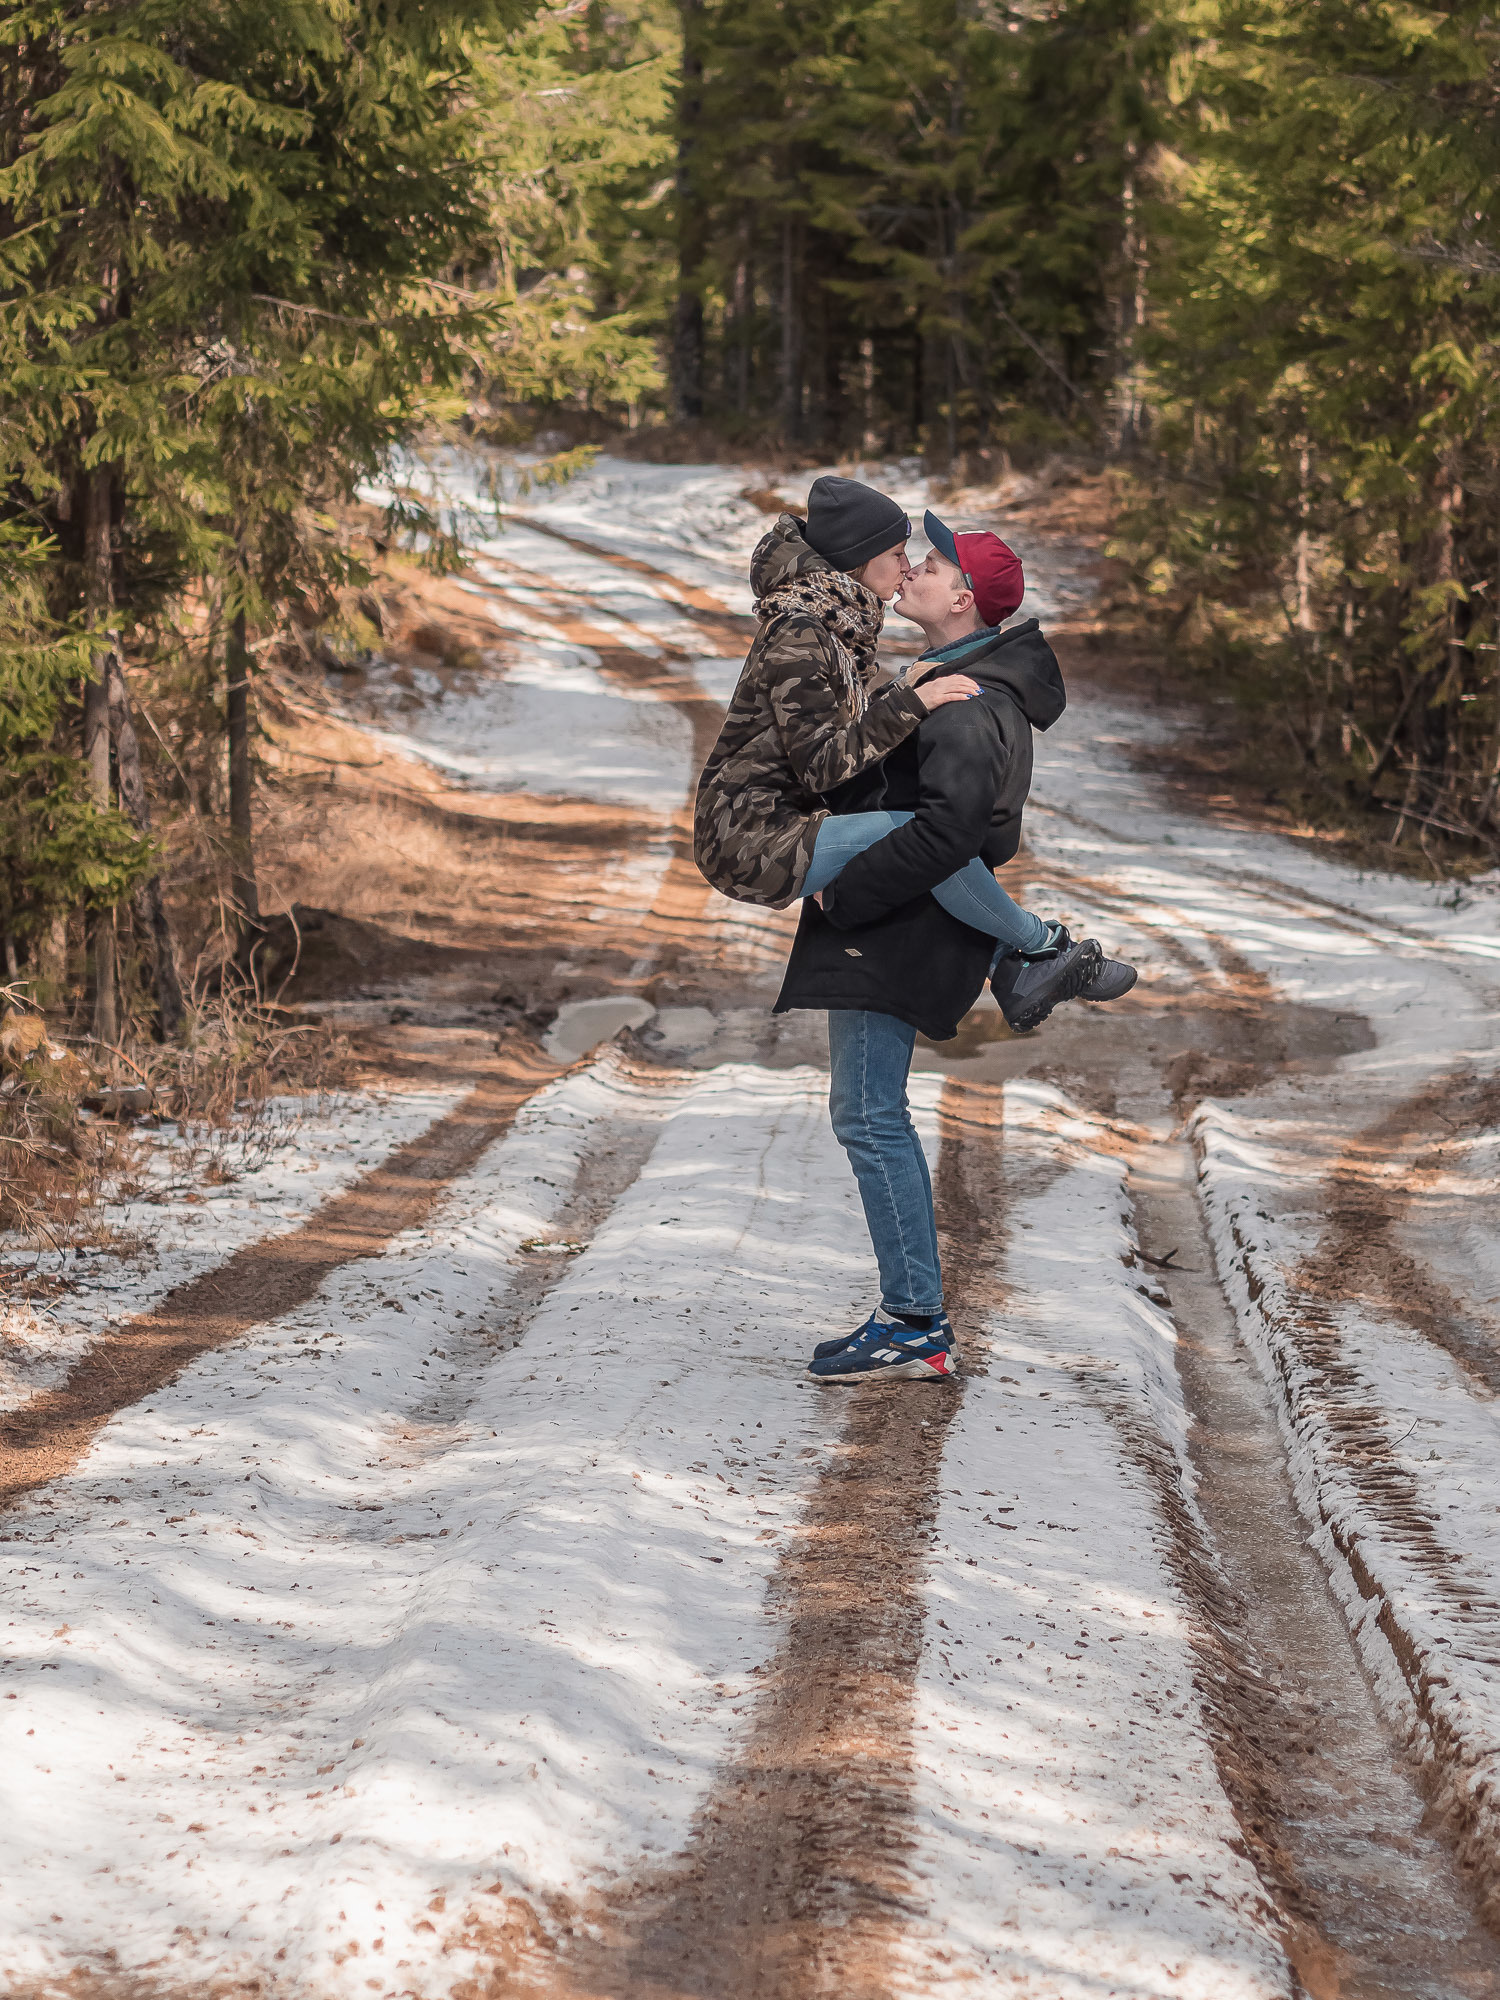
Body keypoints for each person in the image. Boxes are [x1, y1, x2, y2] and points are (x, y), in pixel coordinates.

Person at [776, 508, 1136, 1385]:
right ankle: (913, 1315)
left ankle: (914, 1319)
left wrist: (842, 889)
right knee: (867, 1116)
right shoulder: (950, 677)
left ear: (963, 598)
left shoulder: (972, 705)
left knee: (868, 1116)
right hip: (894, 926)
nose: (912, 571)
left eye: (929, 566)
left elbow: (952, 837)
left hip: (892, 930)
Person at [693, 476, 1063, 951]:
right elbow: (821, 765)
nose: (906, 568)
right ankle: (1039, 948)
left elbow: (840, 731)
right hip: (747, 835)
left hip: (788, 821)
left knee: (926, 846)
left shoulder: (833, 624)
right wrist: (911, 703)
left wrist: (899, 696)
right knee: (924, 836)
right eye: (897, 554)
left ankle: (1010, 964)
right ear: (858, 559)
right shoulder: (801, 633)